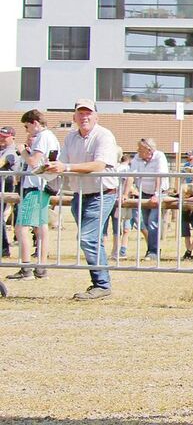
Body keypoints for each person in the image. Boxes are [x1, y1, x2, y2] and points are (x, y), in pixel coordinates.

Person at [38, 101, 120, 300]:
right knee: (92, 240)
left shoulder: (104, 135)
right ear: (74, 117)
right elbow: (62, 163)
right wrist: (50, 169)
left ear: (96, 116)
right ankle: (101, 283)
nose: (84, 117)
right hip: (79, 195)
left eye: (88, 113)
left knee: (87, 239)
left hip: (102, 194)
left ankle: (102, 284)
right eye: (80, 113)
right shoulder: (70, 137)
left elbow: (99, 165)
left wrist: (65, 167)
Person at [9, 110, 60, 280]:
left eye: (27, 126)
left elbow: (33, 162)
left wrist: (23, 151)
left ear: (35, 123)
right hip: (44, 185)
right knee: (41, 226)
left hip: (35, 186)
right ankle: (41, 267)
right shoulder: (51, 137)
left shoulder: (43, 137)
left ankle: (26, 268)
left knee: (21, 227)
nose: (26, 130)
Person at [129, 138, 169, 260]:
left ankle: (153, 252)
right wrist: (125, 194)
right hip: (144, 193)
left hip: (159, 193)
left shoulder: (159, 156)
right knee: (146, 223)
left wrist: (156, 194)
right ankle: (152, 249)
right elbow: (131, 176)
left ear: (149, 150)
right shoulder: (137, 158)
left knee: (152, 221)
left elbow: (159, 176)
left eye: (140, 149)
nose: (138, 151)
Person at [0, 127, 19, 258]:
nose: (1, 139)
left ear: (12, 138)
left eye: (4, 137)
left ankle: (3, 248)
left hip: (5, 188)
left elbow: (2, 163)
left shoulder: (11, 151)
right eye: (0, 136)